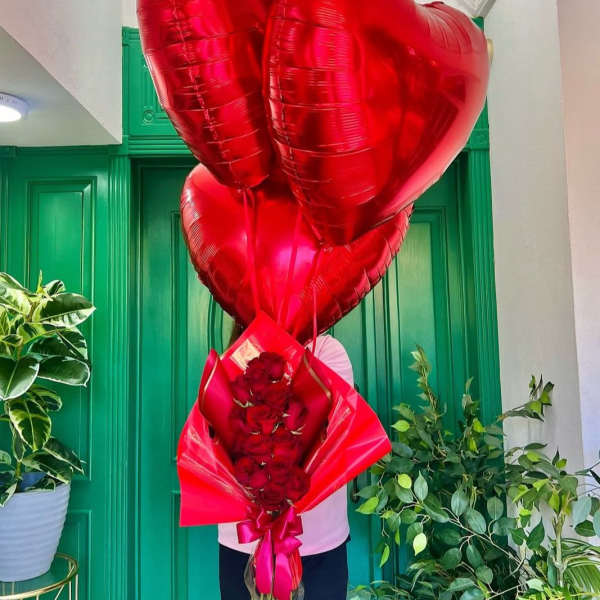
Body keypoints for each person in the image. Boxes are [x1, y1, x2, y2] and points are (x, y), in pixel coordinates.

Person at [218, 330, 353, 600]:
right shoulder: (235, 357)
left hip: (319, 546)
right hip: (243, 546)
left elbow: (334, 439)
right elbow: (221, 446)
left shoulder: (327, 351)